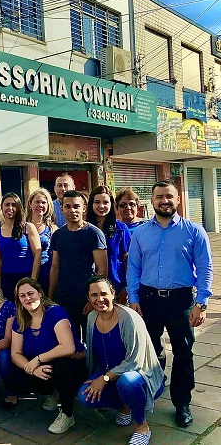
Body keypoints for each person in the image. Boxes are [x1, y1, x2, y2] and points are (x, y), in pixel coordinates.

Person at [127, 180, 213, 428]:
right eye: (159, 197)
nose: (164, 201)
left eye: (169, 196)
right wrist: (133, 299)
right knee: (150, 350)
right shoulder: (141, 232)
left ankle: (182, 403)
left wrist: (202, 303)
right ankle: (153, 389)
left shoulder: (194, 231)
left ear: (178, 200)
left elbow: (205, 268)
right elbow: (133, 267)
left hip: (182, 301)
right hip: (149, 300)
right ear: (151, 202)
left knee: (184, 353)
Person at [78, 276, 165, 445]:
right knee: (84, 396)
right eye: (94, 295)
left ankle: (141, 425)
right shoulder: (91, 317)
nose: (99, 299)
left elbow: (134, 362)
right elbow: (94, 352)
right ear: (88, 299)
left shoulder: (129, 318)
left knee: (127, 382)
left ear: (113, 294)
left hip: (139, 375)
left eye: (104, 293)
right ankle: (125, 406)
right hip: (110, 372)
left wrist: (103, 379)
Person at [3, 277, 86, 433]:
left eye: (31, 293)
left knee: (62, 366)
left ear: (40, 293)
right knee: (13, 376)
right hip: (42, 366)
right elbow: (15, 353)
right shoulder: (20, 320)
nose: (27, 298)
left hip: (71, 362)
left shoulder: (55, 312)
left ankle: (67, 414)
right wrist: (32, 369)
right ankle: (52, 392)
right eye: (22, 296)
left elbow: (68, 347)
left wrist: (37, 360)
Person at [49, 190, 107, 339]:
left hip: (85, 298)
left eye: (76, 206)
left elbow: (102, 270)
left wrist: (92, 299)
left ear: (84, 208)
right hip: (63, 297)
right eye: (67, 206)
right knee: (68, 342)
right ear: (61, 208)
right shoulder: (58, 235)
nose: (72, 210)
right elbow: (55, 267)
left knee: (92, 342)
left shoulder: (94, 234)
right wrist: (50, 297)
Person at [0, 192, 41, 302]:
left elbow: (37, 254)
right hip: (7, 280)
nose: (10, 208)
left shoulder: (28, 227)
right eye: (7, 204)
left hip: (26, 277)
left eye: (14, 205)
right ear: (2, 207)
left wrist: (32, 281)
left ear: (18, 207)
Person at [87, 186, 131, 299]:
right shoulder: (84, 229)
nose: (101, 206)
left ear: (111, 205)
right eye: (97, 202)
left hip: (116, 288)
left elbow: (129, 261)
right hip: (88, 289)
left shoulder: (121, 229)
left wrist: (128, 287)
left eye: (105, 202)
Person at [25, 188, 58, 295]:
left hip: (46, 273)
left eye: (43, 202)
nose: (40, 205)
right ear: (30, 203)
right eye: (37, 202)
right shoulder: (21, 226)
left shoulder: (53, 229)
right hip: (25, 271)